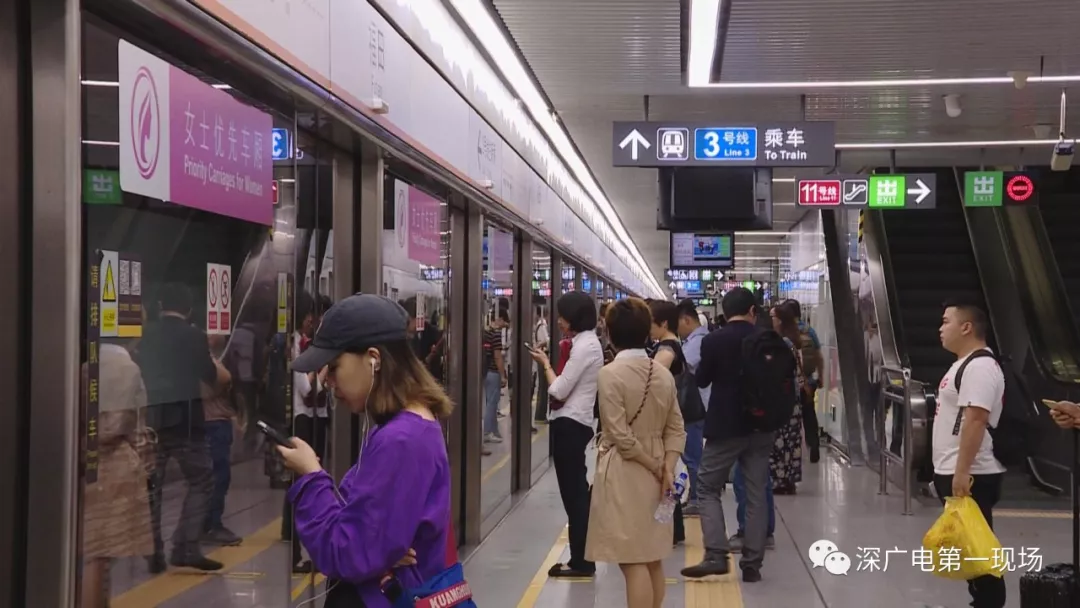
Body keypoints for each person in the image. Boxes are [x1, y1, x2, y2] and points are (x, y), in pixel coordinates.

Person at [277, 294, 454, 607]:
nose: (328, 382)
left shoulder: (400, 440)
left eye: (334, 367)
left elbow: (347, 553)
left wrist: (312, 476)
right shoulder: (408, 427)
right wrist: (378, 547)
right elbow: (363, 532)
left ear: (373, 359)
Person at [587, 298, 685, 608]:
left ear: (610, 333)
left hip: (626, 470)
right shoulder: (662, 373)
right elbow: (676, 428)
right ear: (646, 332)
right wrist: (667, 467)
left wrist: (654, 466)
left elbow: (620, 435)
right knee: (652, 556)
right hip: (661, 471)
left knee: (632, 561)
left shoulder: (610, 374)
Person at [681, 287, 773, 583]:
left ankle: (716, 554)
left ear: (724, 312)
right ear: (752, 311)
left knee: (707, 487)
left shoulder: (714, 340)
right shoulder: (767, 339)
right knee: (756, 491)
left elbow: (702, 379)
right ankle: (753, 564)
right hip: (762, 426)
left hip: (726, 426)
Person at [138, 283, 222, 572]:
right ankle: (185, 548)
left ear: (161, 306)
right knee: (201, 480)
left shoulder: (146, 334)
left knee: (152, 487)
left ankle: (153, 552)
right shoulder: (194, 335)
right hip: (186, 423)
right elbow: (209, 375)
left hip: (153, 422)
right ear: (189, 309)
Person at [932, 297, 1006, 608]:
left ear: (966, 327)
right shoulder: (964, 364)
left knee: (979, 554)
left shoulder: (980, 367)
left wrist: (962, 472)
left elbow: (976, 419)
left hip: (972, 473)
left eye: (946, 321)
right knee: (970, 551)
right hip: (957, 469)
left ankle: (989, 603)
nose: (940, 328)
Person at [529, 291, 603, 578]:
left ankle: (582, 561)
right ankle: (581, 557)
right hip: (573, 422)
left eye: (562, 316)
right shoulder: (584, 343)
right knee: (575, 495)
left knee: (575, 497)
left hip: (571, 424)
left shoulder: (585, 347)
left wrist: (545, 364)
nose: (558, 321)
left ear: (574, 317)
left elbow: (559, 390)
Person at [81, 339, 155, 605]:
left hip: (81, 462)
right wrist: (145, 460)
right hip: (112, 467)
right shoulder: (126, 368)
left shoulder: (82, 364)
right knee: (100, 556)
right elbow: (127, 424)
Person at [648, 300, 689, 545]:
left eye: (651, 323)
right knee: (668, 471)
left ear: (663, 324)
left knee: (665, 472)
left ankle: (670, 529)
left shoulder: (667, 348)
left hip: (665, 418)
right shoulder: (672, 344)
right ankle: (675, 529)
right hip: (671, 415)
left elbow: (650, 377)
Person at [201, 334, 242, 546]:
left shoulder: (213, 358)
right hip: (213, 422)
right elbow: (224, 378)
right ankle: (211, 525)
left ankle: (207, 523)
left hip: (218, 421)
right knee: (217, 476)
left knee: (219, 477)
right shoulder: (203, 360)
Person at [675, 300, 708, 516]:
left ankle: (697, 498)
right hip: (695, 406)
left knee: (693, 455)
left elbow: (680, 367)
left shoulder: (698, 342)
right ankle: (696, 496)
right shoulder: (694, 340)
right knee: (692, 455)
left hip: (694, 407)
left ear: (686, 320)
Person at [783, 299, 823, 463]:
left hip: (788, 383)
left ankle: (791, 450)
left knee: (790, 418)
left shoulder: (784, 332)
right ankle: (814, 445)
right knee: (809, 414)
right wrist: (821, 376)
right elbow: (818, 356)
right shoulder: (809, 331)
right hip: (808, 381)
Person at [483, 309, 510, 444]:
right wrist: (503, 375)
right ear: (498, 319)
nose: (504, 324)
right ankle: (487, 432)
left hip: (485, 371)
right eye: (503, 321)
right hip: (494, 372)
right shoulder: (496, 334)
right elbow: (497, 356)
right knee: (492, 404)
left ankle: (494, 430)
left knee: (490, 402)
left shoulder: (486, 333)